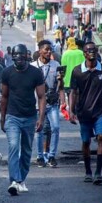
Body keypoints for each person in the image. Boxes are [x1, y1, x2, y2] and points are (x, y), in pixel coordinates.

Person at [0, 44, 47, 196]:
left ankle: (21, 180)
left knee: (26, 150)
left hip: (30, 117)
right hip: (12, 116)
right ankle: (14, 181)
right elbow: (4, 97)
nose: (19, 58)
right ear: (12, 56)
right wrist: (2, 118)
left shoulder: (36, 73)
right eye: (16, 55)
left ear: (26, 55)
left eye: (21, 55)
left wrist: (41, 118)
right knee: (13, 146)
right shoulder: (7, 73)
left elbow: (41, 96)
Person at [70, 41, 102, 184]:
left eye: (94, 50)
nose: (91, 52)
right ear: (84, 53)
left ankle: (98, 172)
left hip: (99, 111)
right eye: (88, 50)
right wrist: (71, 110)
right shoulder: (77, 71)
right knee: (86, 142)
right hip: (83, 112)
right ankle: (88, 171)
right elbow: (73, 92)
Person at [33, 40, 63, 168]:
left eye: (50, 49)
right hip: (37, 104)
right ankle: (40, 156)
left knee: (55, 128)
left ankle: (51, 156)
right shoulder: (33, 66)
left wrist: (60, 80)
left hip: (52, 103)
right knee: (39, 130)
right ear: (40, 51)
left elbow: (61, 86)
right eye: (46, 49)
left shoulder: (56, 65)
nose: (49, 52)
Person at [61, 36, 85, 109]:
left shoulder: (65, 54)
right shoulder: (81, 53)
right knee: (79, 95)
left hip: (68, 80)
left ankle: (71, 110)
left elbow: (63, 67)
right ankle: (78, 110)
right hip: (80, 78)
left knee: (70, 95)